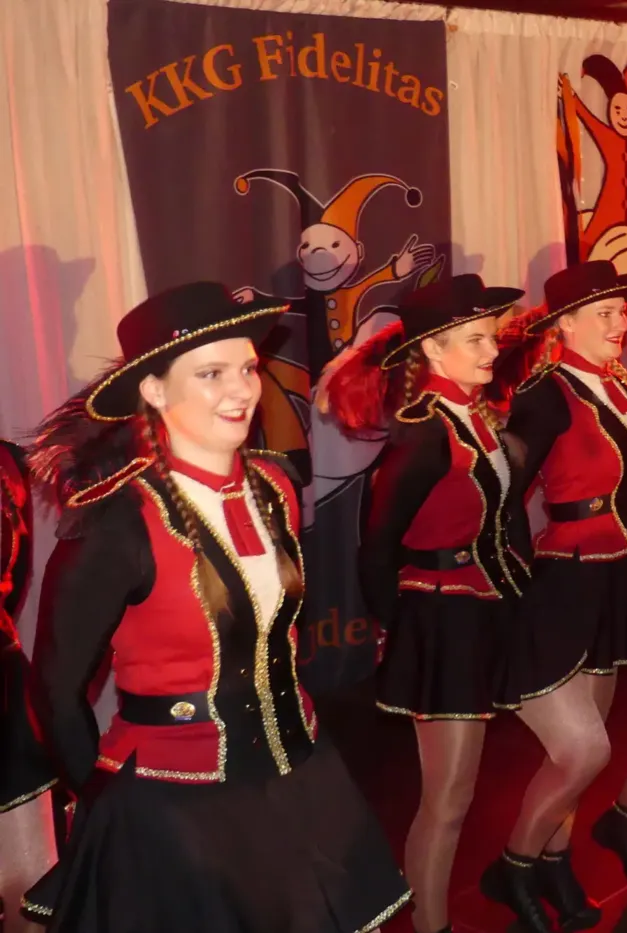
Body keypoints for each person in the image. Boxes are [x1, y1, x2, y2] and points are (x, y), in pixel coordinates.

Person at [21, 282, 409, 932]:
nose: (242, 390)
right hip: (176, 793)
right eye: (211, 374)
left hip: (299, 767)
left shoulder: (275, 485)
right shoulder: (117, 522)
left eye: (248, 369)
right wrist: (103, 801)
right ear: (153, 389)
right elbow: (56, 690)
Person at [483, 261, 627, 928]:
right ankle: (535, 862)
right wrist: (516, 582)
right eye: (605, 313)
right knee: (582, 749)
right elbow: (503, 498)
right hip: (576, 578)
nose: (621, 323)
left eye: (623, 311)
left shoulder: (621, 385)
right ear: (564, 324)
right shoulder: (547, 394)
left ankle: (624, 817)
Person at [320, 274, 528, 933]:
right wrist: (405, 628)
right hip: (442, 619)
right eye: (476, 340)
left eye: (491, 337)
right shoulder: (424, 431)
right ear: (434, 350)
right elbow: (376, 547)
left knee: (529, 764)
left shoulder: (476, 416)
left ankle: (524, 864)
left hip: (486, 607)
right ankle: (430, 924)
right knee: (449, 796)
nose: (491, 350)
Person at [1, 440, 58, 933]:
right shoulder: (7, 464)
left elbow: (15, 582)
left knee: (26, 889)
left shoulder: (9, 465)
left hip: (6, 691)